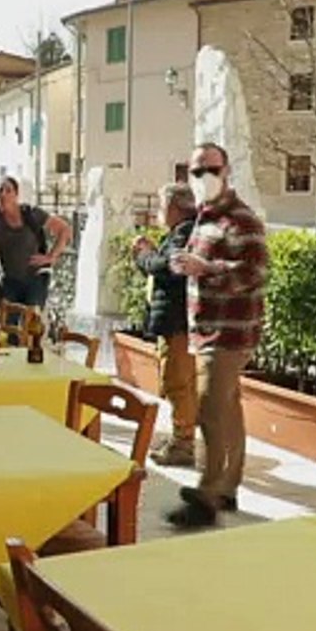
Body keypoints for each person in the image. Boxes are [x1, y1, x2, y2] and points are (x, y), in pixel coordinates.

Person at [165, 143, 270, 530]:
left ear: (226, 171)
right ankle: (228, 486)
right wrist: (186, 266)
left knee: (209, 408)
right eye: (195, 171)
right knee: (229, 407)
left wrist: (206, 268)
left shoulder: (242, 220)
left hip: (230, 332)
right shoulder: (203, 218)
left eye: (209, 169)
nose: (202, 177)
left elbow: (255, 273)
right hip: (206, 328)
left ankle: (207, 495)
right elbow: (201, 263)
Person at [133, 182, 199, 467]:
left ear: (174, 208)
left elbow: (166, 267)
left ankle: (183, 443)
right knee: (179, 381)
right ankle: (180, 437)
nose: (159, 212)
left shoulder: (185, 233)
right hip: (176, 321)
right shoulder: (181, 233)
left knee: (177, 382)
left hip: (178, 323)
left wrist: (144, 255)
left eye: (161, 206)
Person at [0, 176, 72, 309]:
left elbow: (64, 230)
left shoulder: (31, 214)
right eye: (0, 191)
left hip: (35, 279)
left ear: (16, 195)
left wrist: (51, 256)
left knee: (30, 322)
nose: (3, 194)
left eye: (8, 191)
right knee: (6, 322)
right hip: (9, 280)